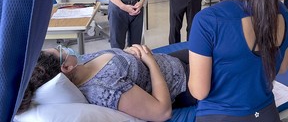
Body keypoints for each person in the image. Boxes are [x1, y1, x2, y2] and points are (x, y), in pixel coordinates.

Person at [188, 0, 288, 122]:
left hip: (221, 116)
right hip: (266, 113)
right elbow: (282, 67)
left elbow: (199, 91)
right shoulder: (281, 11)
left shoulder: (209, 20)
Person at [18, 45, 196, 121]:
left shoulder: (80, 64)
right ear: (65, 67)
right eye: (59, 50)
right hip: (181, 79)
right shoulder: (104, 89)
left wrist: (127, 53)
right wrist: (150, 61)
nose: (63, 48)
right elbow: (162, 112)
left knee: (213, 45)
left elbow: (114, 60)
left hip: (168, 60)